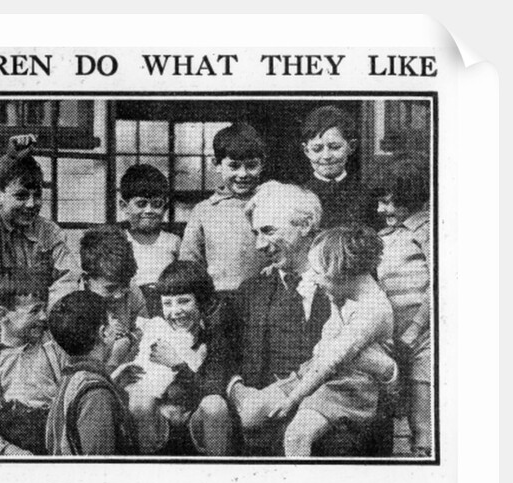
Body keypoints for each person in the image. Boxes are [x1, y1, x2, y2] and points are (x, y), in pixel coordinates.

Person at [225, 181, 392, 457]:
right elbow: (222, 351)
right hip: (270, 418)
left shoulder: (352, 282)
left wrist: (387, 372)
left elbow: (388, 362)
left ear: (305, 225)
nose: (258, 245)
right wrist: (236, 389)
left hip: (333, 421)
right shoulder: (251, 290)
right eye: (255, 233)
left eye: (268, 231)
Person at [120, 261, 234, 456]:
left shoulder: (214, 337)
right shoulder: (156, 331)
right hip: (158, 425)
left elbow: (214, 387)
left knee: (215, 404)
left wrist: (178, 365)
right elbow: (134, 373)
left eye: (183, 301)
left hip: (197, 423)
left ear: (202, 302)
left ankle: (217, 470)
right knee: (139, 399)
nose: (175, 311)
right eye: (167, 303)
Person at [0, 270, 64, 456]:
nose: (44, 317)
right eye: (34, 311)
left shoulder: (56, 352)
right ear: (3, 315)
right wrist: (10, 452)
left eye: (44, 309)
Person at [375, 154, 433, 456]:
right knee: (395, 406)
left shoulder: (426, 230)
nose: (380, 209)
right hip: (393, 336)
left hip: (422, 336)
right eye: (380, 201)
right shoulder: (386, 235)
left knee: (422, 412)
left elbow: (441, 284)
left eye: (388, 202)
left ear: (411, 197)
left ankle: (424, 455)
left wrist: (415, 329)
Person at [45, 291, 139, 456]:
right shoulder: (97, 394)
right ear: (104, 333)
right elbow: (99, 465)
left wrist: (113, 384)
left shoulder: (71, 377)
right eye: (112, 320)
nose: (116, 323)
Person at [179, 122, 266, 298]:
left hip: (266, 299)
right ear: (217, 164)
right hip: (220, 299)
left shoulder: (272, 203)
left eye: (251, 165)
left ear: (262, 164)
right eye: (233, 166)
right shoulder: (204, 211)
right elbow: (190, 265)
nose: (242, 174)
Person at [49, 225, 148, 371]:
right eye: (111, 288)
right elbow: (68, 365)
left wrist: (129, 338)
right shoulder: (65, 303)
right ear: (87, 279)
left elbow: (145, 329)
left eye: (125, 284)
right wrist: (112, 357)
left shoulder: (131, 291)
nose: (120, 294)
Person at [0, 135, 80, 287]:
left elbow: (69, 279)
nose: (31, 204)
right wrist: (9, 159)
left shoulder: (48, 232)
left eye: (37, 195)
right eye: (21, 196)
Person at [300, 105, 383, 231]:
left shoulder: (367, 196)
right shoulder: (298, 197)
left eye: (335, 147)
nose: (326, 156)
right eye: (317, 149)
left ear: (351, 146)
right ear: (306, 151)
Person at [119, 163, 180, 316]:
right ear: (124, 206)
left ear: (165, 207)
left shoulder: (173, 242)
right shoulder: (119, 241)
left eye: (156, 204)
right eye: (141, 204)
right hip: (130, 311)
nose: (149, 210)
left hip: (167, 311)